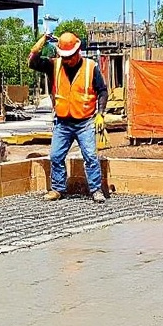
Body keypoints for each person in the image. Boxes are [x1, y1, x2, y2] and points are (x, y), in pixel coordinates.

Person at [28, 31, 109, 202]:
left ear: (78, 51)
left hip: (85, 122)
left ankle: (96, 190)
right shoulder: (54, 65)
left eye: (70, 56)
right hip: (62, 121)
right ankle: (58, 189)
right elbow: (32, 61)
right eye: (64, 57)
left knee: (90, 156)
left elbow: (102, 91)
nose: (67, 60)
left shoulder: (90, 67)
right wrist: (43, 40)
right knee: (56, 156)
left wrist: (100, 114)